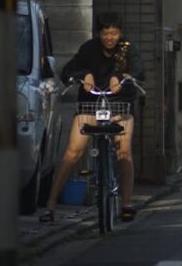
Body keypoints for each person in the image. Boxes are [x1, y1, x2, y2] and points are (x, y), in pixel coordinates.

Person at [39, 12, 144, 223]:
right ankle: (50, 206)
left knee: (124, 152)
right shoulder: (89, 48)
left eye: (114, 33)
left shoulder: (128, 49)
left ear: (120, 33)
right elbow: (69, 68)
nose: (110, 38)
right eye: (106, 33)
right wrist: (83, 75)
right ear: (99, 33)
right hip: (90, 105)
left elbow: (139, 71)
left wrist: (121, 77)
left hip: (119, 107)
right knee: (72, 152)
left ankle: (126, 204)